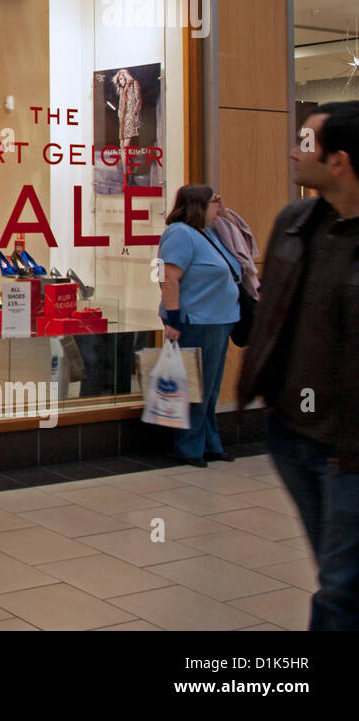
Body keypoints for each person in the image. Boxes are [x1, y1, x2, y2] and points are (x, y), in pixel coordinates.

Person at [238, 100, 359, 631]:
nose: (293, 150)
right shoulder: (294, 223)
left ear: (340, 162)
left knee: (339, 589)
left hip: (350, 451)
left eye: (306, 143)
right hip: (292, 434)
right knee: (339, 575)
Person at [157, 184, 242, 467]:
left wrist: (225, 211)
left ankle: (209, 443)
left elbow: (244, 241)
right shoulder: (180, 233)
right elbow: (169, 277)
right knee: (195, 388)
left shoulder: (208, 234)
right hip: (197, 320)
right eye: (214, 201)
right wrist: (174, 318)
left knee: (210, 389)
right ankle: (190, 447)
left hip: (218, 319)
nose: (218, 206)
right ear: (198, 205)